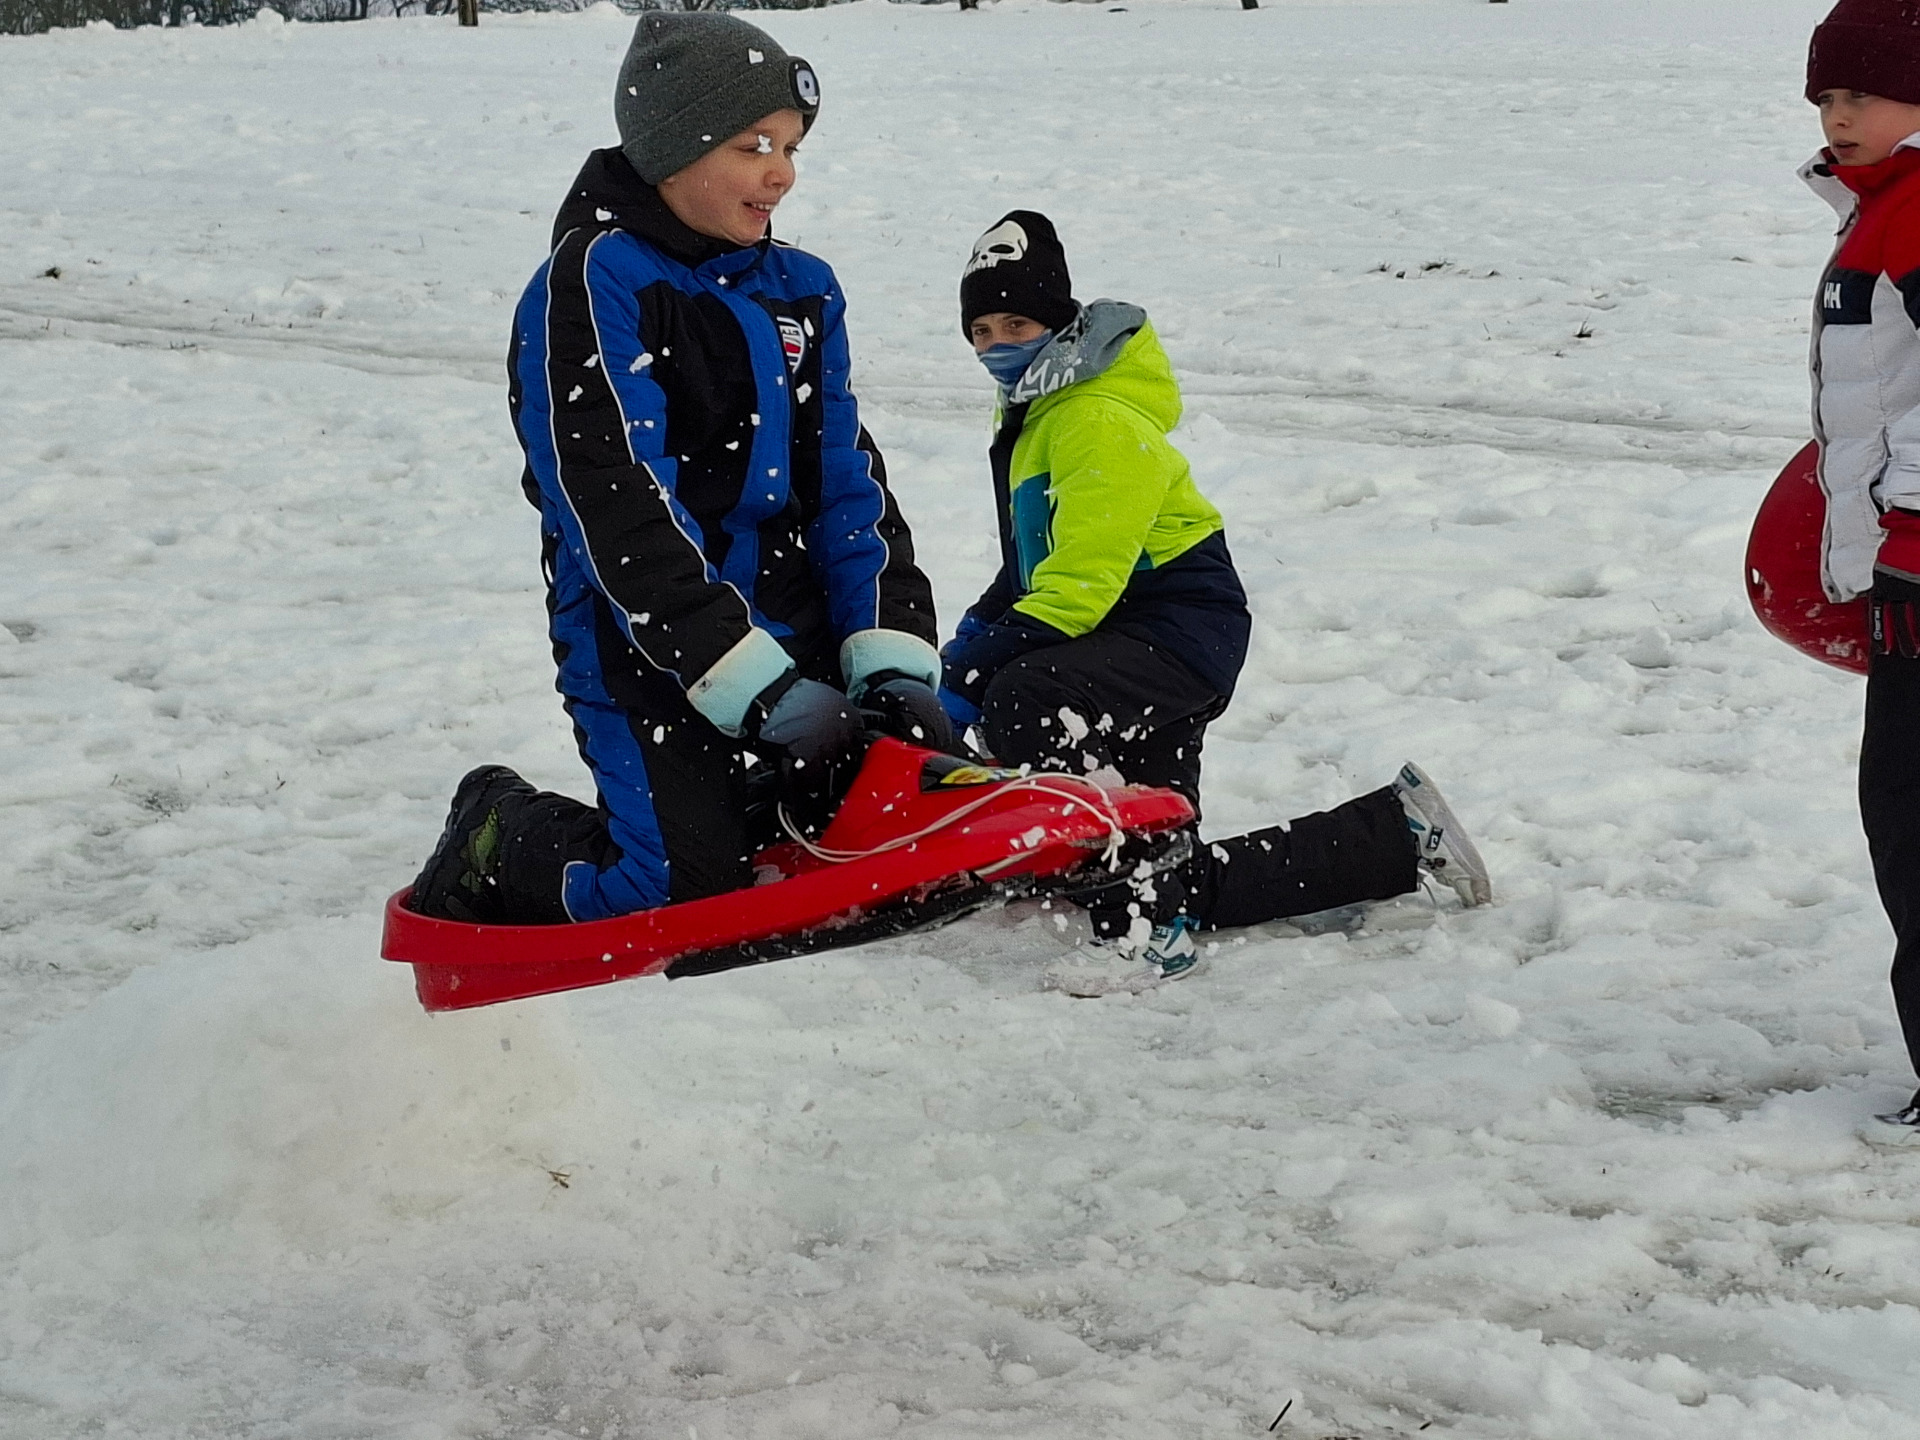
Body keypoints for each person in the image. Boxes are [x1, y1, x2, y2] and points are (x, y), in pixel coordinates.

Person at [409, 13, 948, 926]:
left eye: (791, 148)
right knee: (679, 890)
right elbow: (615, 506)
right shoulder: (596, 281)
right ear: (673, 149)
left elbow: (847, 488)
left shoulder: (802, 288)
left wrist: (890, 659)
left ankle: (757, 797)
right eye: (754, 146)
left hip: (793, 617)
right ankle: (499, 832)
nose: (783, 172)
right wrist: (754, 687)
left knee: (892, 807)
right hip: (645, 636)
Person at [940, 210, 1491, 994]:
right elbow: (1031, 571)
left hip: (1174, 630)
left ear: (1058, 324)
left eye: (1017, 324)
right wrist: (964, 645)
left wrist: (971, 676)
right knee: (1163, 876)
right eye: (982, 331)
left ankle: (1118, 909)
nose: (997, 345)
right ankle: (1395, 833)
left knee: (1027, 696)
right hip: (1131, 635)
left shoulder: (1093, 417)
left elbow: (1080, 587)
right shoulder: (1037, 416)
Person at [1801, 0, 1920, 1141]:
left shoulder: (1917, 211)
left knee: (1911, 815)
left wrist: (1909, 531)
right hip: (1903, 572)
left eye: (1862, 94)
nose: (1838, 116)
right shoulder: (1881, 209)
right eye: (1826, 97)